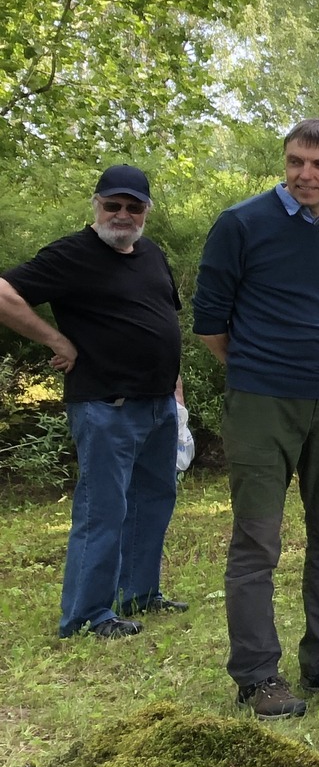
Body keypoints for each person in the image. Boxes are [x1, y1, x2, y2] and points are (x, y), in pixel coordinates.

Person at [193, 119, 319, 718]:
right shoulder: (241, 223)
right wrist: (262, 367)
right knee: (257, 542)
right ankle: (256, 677)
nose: (306, 174)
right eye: (296, 161)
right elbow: (210, 324)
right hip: (261, 404)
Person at [0, 165, 185, 638]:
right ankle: (86, 616)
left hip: (159, 405)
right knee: (103, 511)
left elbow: (164, 323)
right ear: (96, 205)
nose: (123, 214)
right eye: (113, 205)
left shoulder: (151, 254)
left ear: (146, 211)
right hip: (105, 405)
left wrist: (177, 394)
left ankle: (140, 593)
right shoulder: (71, 254)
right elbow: (3, 294)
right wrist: (55, 340)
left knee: (153, 501)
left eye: (133, 206)